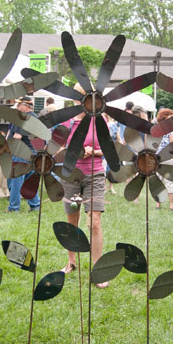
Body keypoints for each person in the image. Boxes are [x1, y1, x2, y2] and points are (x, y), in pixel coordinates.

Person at [60, 84, 108, 287]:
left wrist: (93, 151)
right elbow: (59, 148)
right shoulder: (67, 122)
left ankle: (98, 270)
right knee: (72, 220)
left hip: (94, 173)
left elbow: (108, 149)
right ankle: (71, 262)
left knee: (95, 222)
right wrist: (75, 151)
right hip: (71, 174)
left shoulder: (99, 120)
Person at [6, 96, 41, 212]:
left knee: (16, 181)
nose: (17, 107)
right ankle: (35, 205)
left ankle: (14, 207)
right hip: (32, 153)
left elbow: (17, 137)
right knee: (28, 182)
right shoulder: (35, 118)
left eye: (19, 104)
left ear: (26, 106)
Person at [155, 108, 173, 211]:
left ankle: (158, 204)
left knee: (159, 181)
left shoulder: (156, 128)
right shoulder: (170, 129)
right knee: (170, 181)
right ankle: (171, 205)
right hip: (169, 156)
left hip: (157, 157)